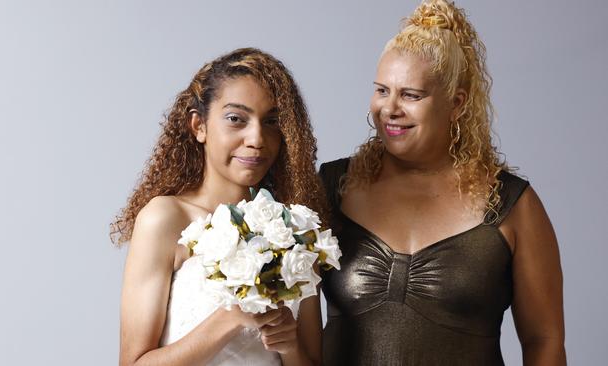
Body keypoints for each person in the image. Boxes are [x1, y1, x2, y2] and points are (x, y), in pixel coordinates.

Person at [319, 1, 566, 364]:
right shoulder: (332, 187)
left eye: (411, 95)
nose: (390, 108)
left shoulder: (512, 205)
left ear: (457, 104)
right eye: (382, 90)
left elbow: (544, 340)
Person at [111, 48, 325, 366]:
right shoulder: (165, 219)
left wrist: (289, 345)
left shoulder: (294, 229)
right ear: (199, 126)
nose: (257, 138)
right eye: (236, 119)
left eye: (271, 122)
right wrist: (230, 317)